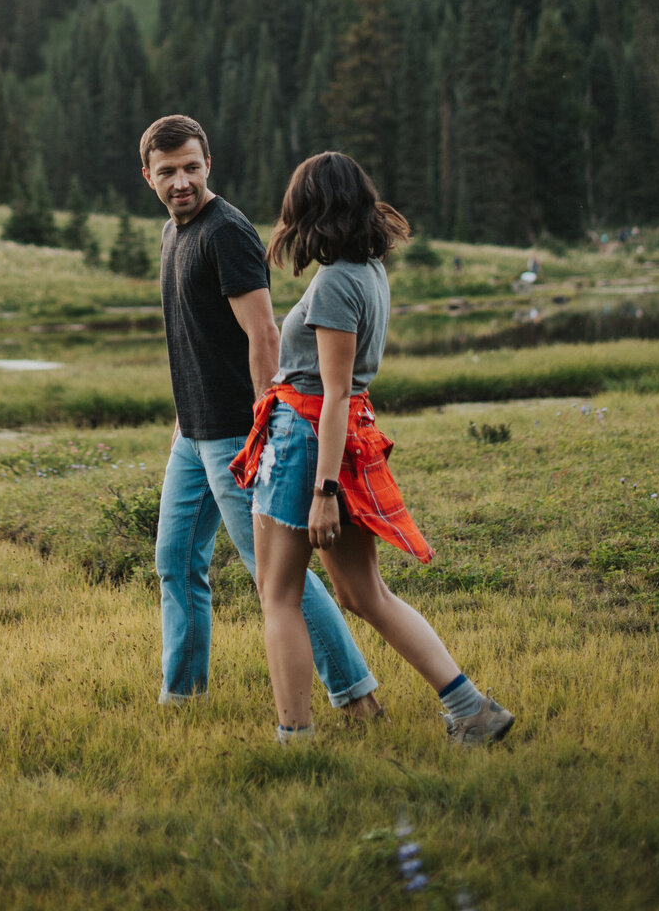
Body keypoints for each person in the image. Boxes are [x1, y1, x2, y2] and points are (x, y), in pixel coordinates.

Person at [231, 151, 515, 747]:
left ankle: (295, 737)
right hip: (342, 439)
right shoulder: (367, 271)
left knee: (277, 594)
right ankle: (470, 708)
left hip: (310, 442)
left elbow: (333, 396)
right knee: (364, 594)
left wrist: (323, 493)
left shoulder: (336, 283)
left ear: (311, 210)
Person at [140, 113, 382, 719]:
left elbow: (265, 336)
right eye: (167, 172)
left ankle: (356, 695)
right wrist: (180, 418)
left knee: (276, 576)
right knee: (174, 563)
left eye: (191, 168)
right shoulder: (174, 234)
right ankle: (183, 697)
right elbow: (188, 339)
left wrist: (260, 426)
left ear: (208, 164)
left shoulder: (227, 232)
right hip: (190, 436)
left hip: (235, 437)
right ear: (148, 175)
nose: (181, 182)